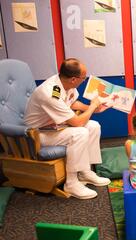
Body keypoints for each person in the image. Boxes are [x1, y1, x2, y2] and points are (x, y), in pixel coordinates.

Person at [25, 58, 111, 200]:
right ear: (73, 79)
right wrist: (92, 107)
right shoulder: (50, 93)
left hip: (54, 127)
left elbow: (71, 103)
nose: (84, 81)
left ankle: (85, 172)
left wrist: (93, 109)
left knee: (94, 126)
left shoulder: (65, 83)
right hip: (37, 134)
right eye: (83, 78)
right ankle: (71, 183)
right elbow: (77, 123)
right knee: (80, 132)